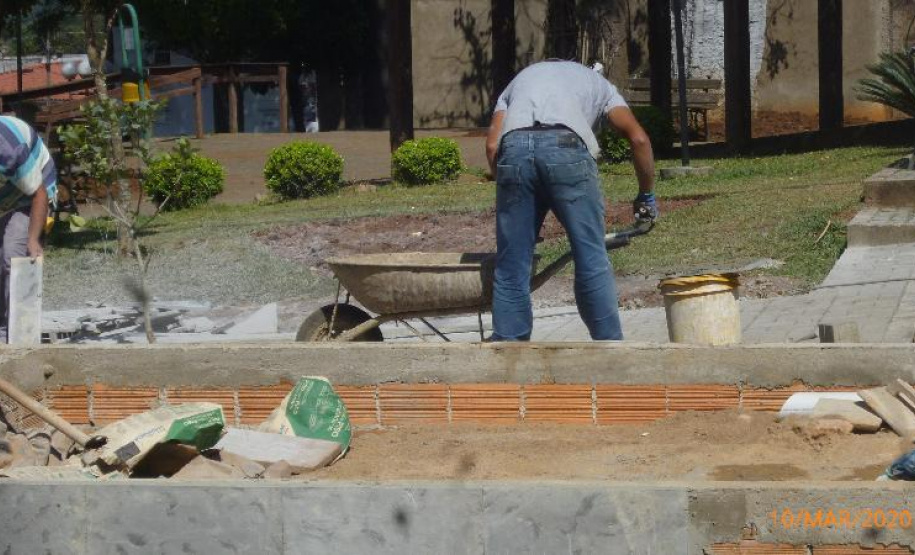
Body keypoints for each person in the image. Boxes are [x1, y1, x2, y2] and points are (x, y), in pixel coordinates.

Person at [484, 60, 657, 341]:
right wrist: (646, 195)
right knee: (590, 253)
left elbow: (492, 145)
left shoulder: (518, 81)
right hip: (567, 148)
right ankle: (609, 349)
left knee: (512, 261)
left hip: (513, 148)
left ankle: (508, 354)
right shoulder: (600, 85)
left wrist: (515, 199)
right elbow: (638, 139)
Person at [0, 114, 57, 341]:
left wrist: (33, 239)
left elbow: (38, 194)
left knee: (13, 255)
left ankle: (19, 335)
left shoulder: (8, 149)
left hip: (33, 194)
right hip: (6, 193)